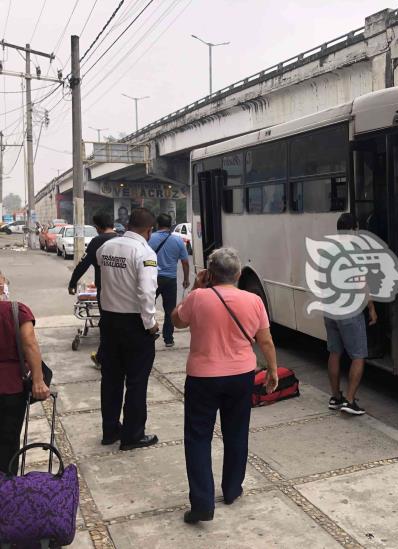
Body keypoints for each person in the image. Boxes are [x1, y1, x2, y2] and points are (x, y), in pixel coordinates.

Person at [171, 248, 278, 524]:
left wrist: (195, 285)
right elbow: (265, 340)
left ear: (209, 273)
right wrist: (273, 370)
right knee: (236, 433)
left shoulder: (197, 298)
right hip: (241, 375)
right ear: (238, 274)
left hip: (202, 378)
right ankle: (231, 490)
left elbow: (177, 321)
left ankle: (203, 503)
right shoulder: (253, 300)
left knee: (197, 438)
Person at [96, 208, 159, 451]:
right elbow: (146, 292)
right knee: (136, 381)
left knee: (110, 379)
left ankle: (110, 430)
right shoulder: (144, 252)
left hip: (109, 322)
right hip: (134, 325)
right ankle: (133, 435)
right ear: (148, 230)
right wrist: (150, 324)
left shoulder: (107, 247)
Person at [326, 213, 377, 415]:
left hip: (330, 309)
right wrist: (371, 308)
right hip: (349, 310)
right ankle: (349, 401)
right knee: (358, 355)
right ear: (355, 229)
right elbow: (362, 284)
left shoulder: (328, 250)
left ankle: (335, 397)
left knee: (335, 353)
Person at [0, 271, 51, 475]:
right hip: (12, 388)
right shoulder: (16, 310)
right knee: (9, 441)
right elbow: (29, 344)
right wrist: (38, 381)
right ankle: (7, 490)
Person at [68, 212, 119, 369]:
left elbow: (83, 264)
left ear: (97, 228)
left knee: (107, 324)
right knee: (120, 323)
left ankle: (103, 358)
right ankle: (111, 357)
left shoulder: (97, 241)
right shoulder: (122, 239)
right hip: (124, 289)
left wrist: (72, 282)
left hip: (105, 290)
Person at [148, 213, 190, 347]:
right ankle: (168, 339)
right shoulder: (178, 241)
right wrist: (186, 279)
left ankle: (149, 331)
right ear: (171, 226)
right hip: (170, 279)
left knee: (147, 306)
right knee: (169, 310)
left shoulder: (150, 238)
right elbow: (185, 262)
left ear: (157, 225)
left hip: (152, 278)